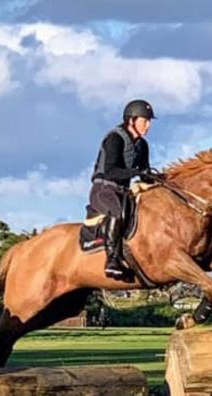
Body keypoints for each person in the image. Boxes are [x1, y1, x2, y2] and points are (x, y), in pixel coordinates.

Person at [89, 99, 156, 279]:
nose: (148, 125)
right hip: (104, 188)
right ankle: (112, 259)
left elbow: (144, 174)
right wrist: (135, 172)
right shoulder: (115, 138)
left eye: (149, 121)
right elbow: (111, 171)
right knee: (117, 211)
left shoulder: (142, 145)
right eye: (145, 121)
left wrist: (158, 179)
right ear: (131, 120)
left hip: (124, 191)